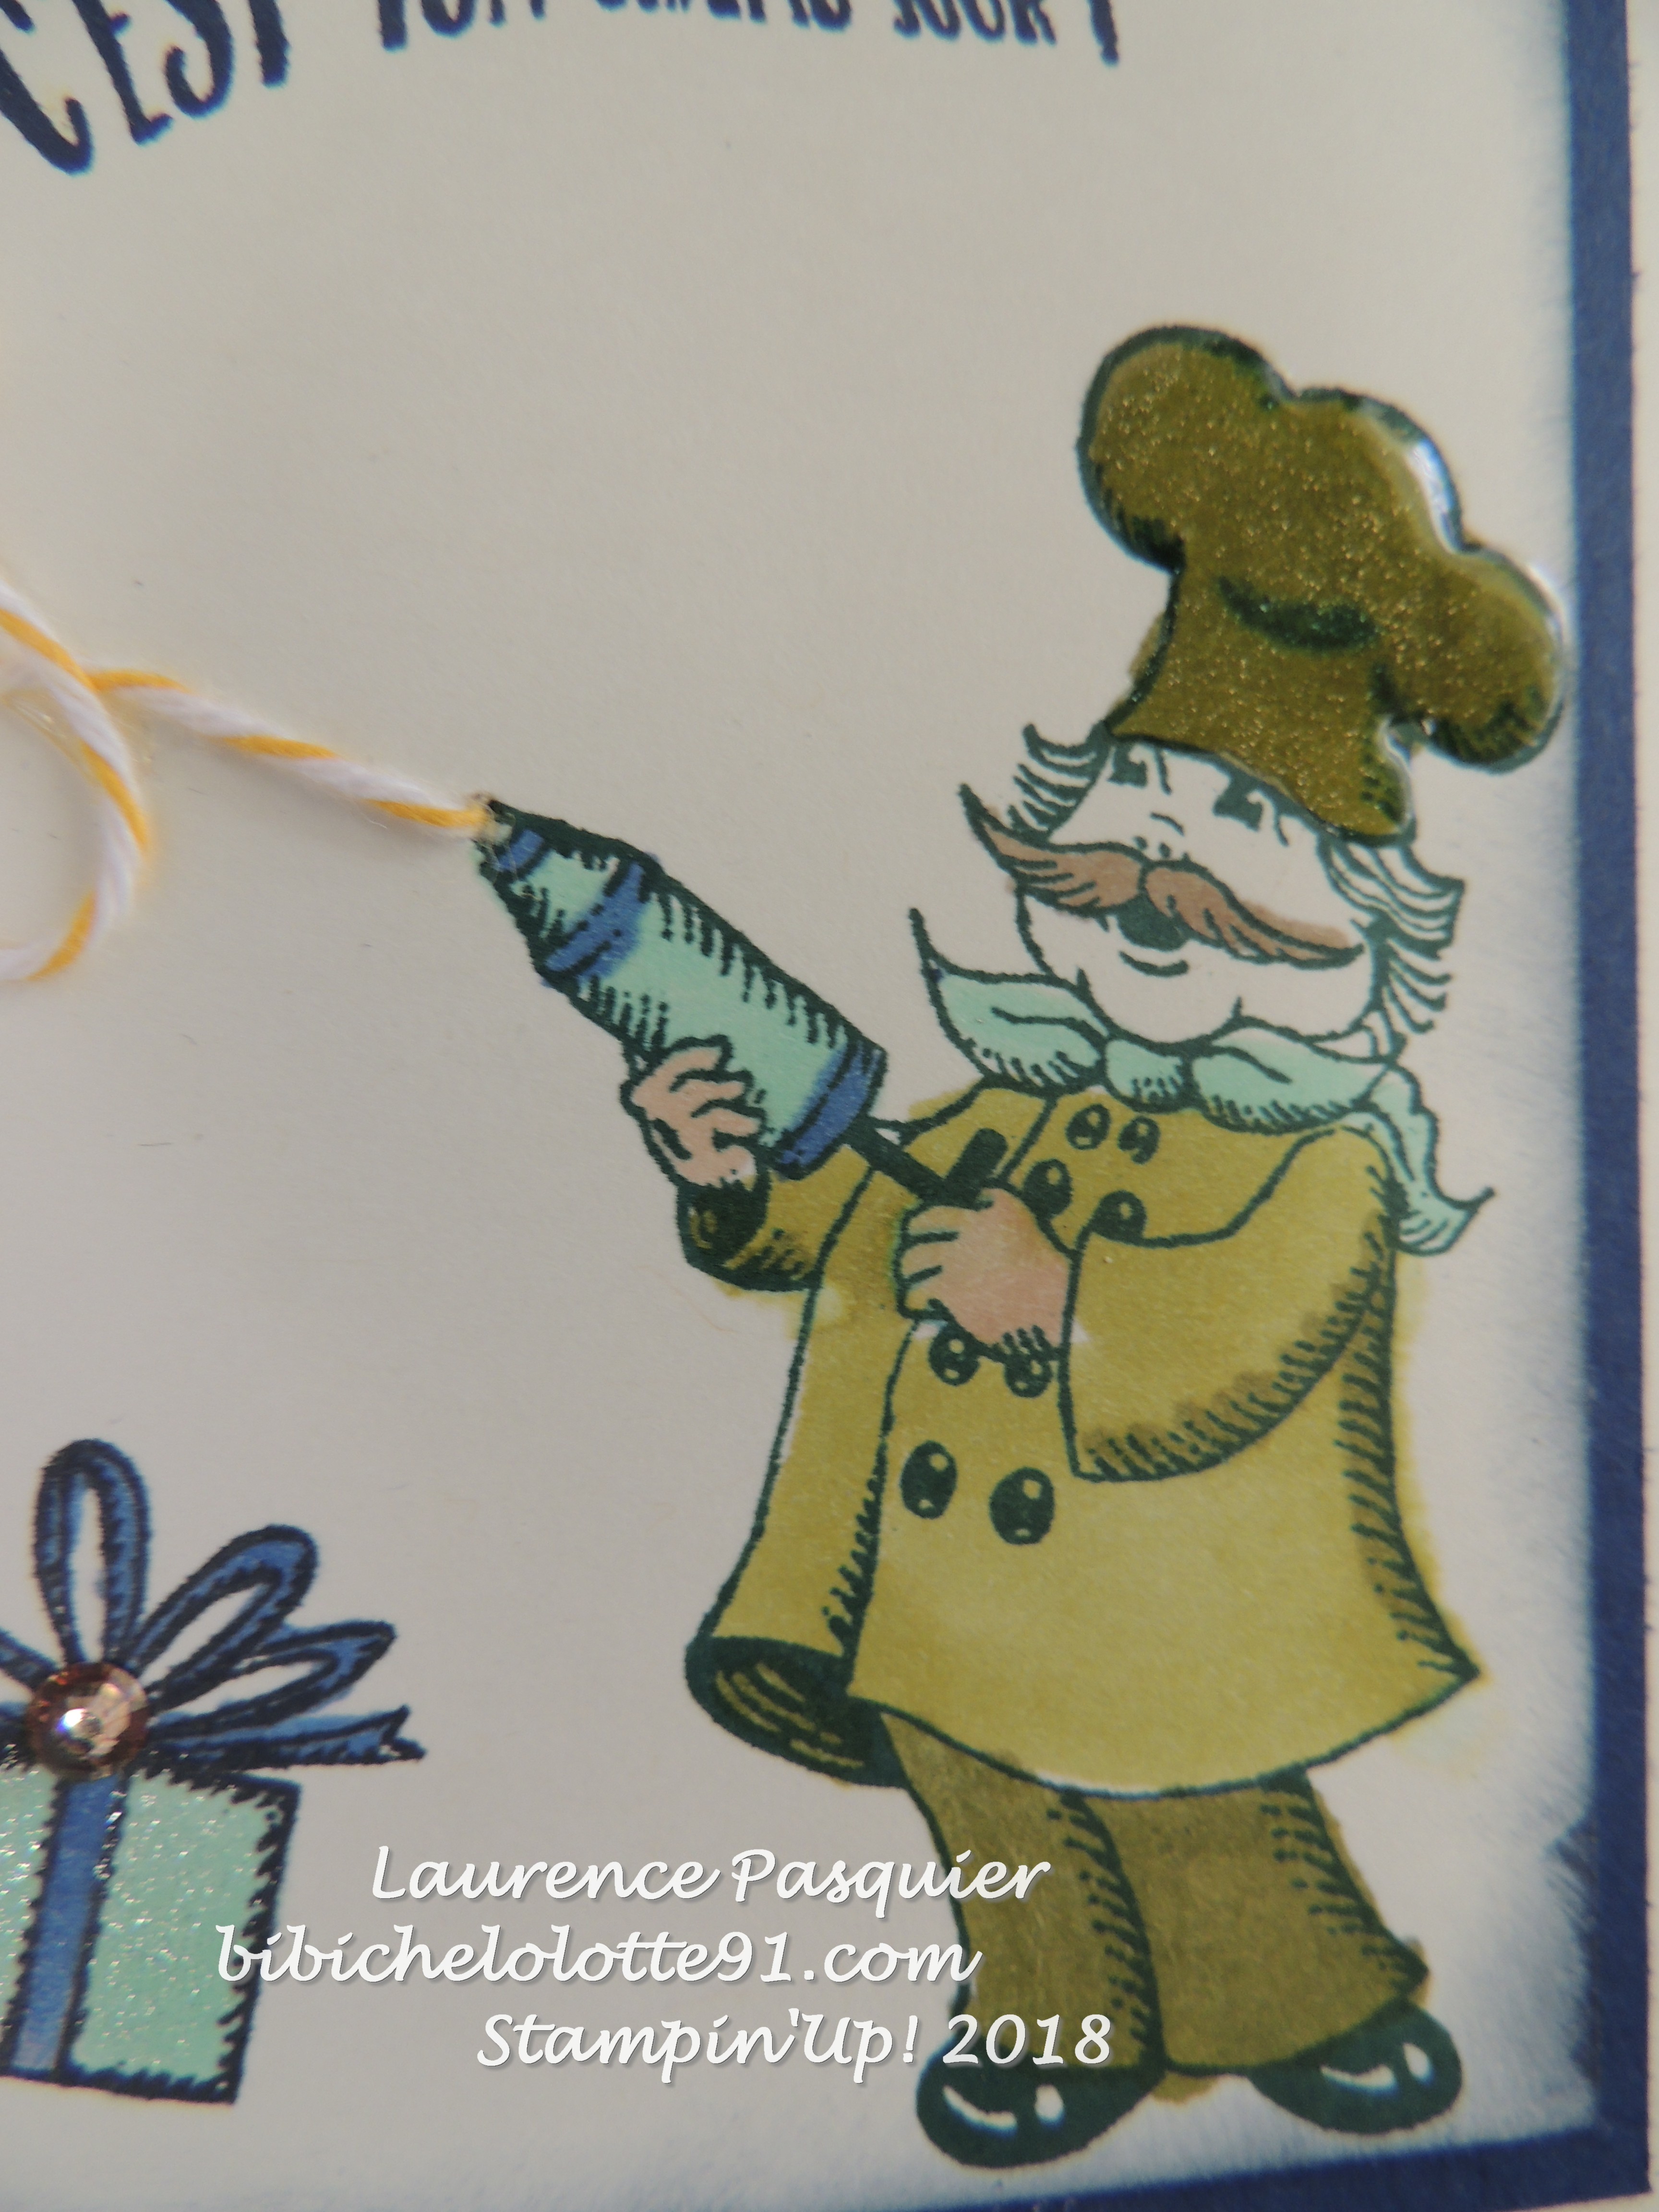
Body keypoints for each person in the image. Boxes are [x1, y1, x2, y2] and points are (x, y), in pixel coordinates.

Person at [624, 328, 1563, 2168]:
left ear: (1357, 922)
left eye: (1241, 837)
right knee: (1006, 1838)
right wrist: (735, 1173)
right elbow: (854, 1219)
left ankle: (1307, 2005)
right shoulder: (1008, 1105)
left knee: (1202, 1806)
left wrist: (1061, 1302)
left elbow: (1253, 1328)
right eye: (1141, 816)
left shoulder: (1325, 1166)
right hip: (938, 1587)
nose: (1159, 881)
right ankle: (1057, 2033)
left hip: (1175, 1596)